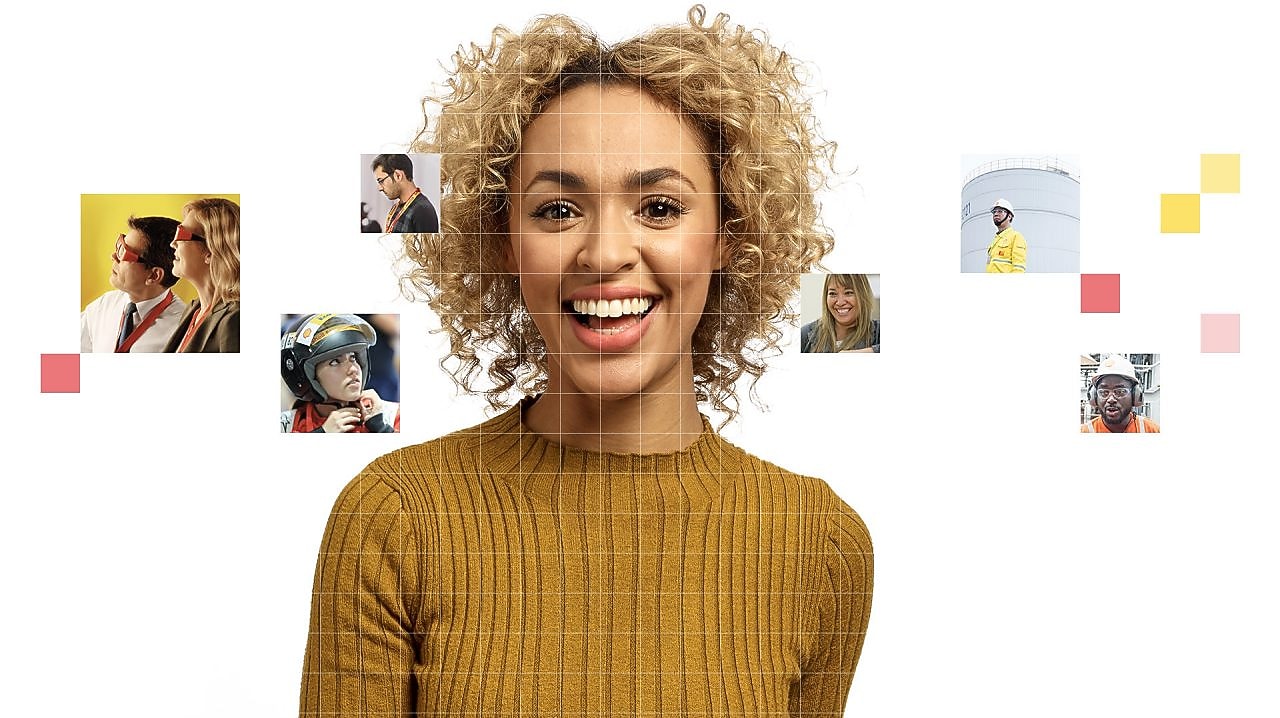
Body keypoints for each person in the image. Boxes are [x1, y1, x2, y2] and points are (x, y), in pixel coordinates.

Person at [301, 8, 872, 717]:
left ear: (730, 235)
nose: (604, 254)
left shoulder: (818, 543)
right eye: (558, 210)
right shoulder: (397, 517)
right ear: (503, 242)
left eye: (659, 207)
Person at [80, 215, 187, 353]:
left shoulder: (181, 329)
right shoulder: (104, 305)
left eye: (125, 252)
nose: (114, 256)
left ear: (153, 275)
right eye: (120, 245)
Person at [280, 314, 400, 433]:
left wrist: (382, 429)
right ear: (306, 376)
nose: (353, 369)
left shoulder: (392, 416)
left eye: (353, 357)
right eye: (335, 362)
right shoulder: (286, 426)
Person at [162, 198, 240, 353]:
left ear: (210, 251)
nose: (173, 243)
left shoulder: (236, 319)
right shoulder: (193, 310)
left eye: (181, 233)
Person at [801, 273, 880, 353]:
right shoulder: (805, 335)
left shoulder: (878, 332)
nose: (840, 302)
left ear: (863, 294)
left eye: (848, 293)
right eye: (833, 294)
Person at [1081, 355, 1160, 433]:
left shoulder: (1152, 430)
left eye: (1120, 392)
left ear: (1135, 395)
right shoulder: (1084, 432)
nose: (1111, 399)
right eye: (1104, 392)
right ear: (1094, 396)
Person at [371, 153, 439, 233]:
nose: (380, 188)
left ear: (398, 176)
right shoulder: (397, 207)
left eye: (381, 181)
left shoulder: (422, 211)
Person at [986, 198, 1027, 273]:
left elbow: (1019, 268)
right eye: (994, 212)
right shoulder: (995, 240)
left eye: (1000, 211)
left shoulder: (1016, 237)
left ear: (1009, 216)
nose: (996, 214)